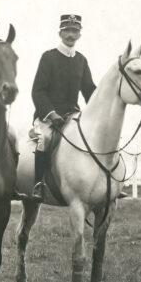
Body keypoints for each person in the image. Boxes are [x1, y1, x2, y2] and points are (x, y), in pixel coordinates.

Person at [30, 14, 96, 202]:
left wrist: (102, 106)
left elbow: (89, 90)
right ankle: (38, 184)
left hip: (73, 115)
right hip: (48, 117)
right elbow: (38, 91)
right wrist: (51, 114)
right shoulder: (48, 57)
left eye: (74, 30)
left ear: (79, 34)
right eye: (67, 30)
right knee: (46, 138)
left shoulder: (81, 60)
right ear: (60, 32)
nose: (70, 34)